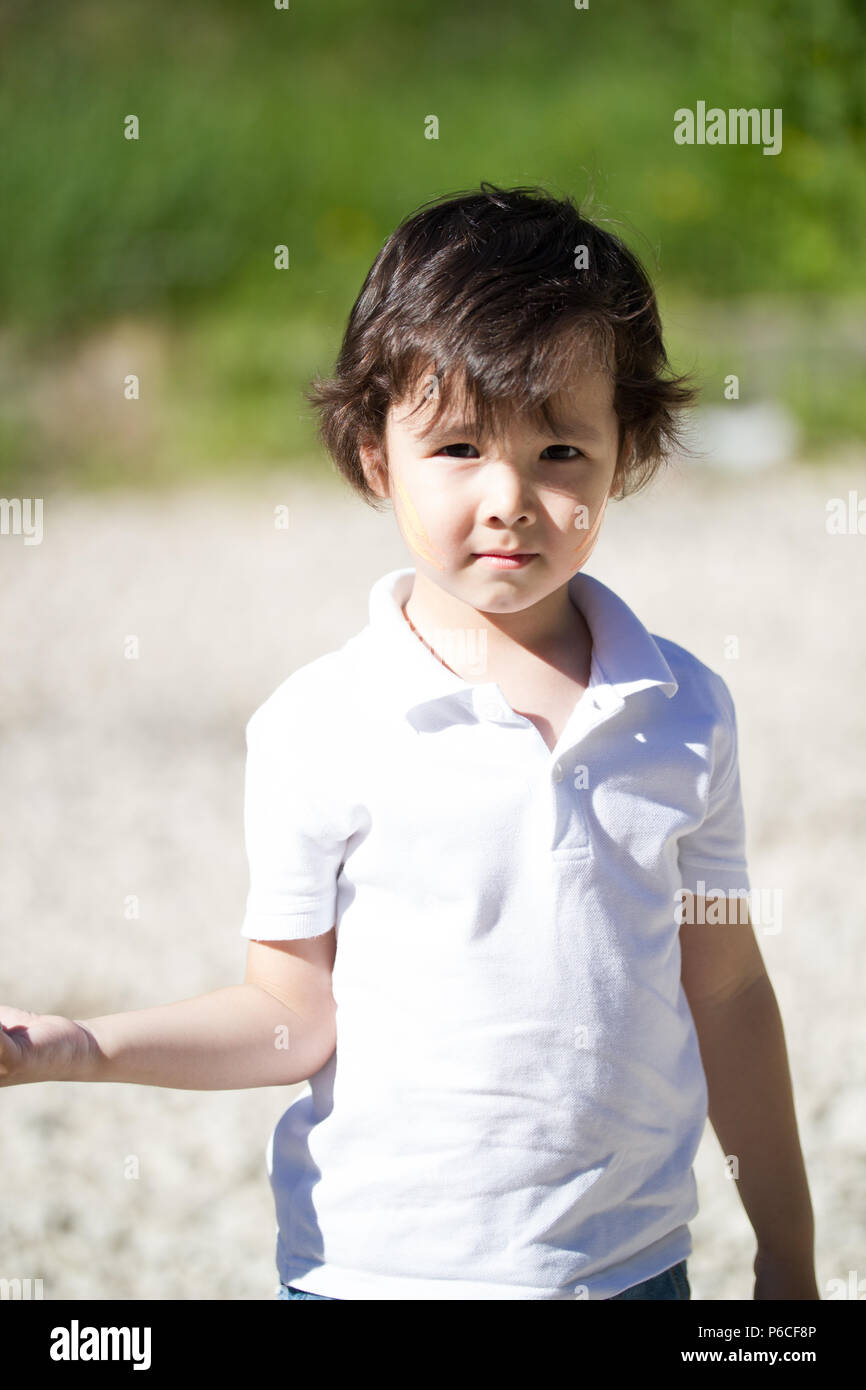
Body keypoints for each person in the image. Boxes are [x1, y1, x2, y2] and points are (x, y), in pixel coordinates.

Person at [0, 182, 818, 1301]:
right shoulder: (317, 724)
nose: (508, 497)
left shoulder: (683, 710)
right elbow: (288, 1015)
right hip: (372, 1276)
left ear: (625, 453)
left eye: (561, 452)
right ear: (374, 454)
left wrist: (785, 1256)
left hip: (628, 1272)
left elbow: (723, 988)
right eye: (459, 445)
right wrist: (84, 1046)